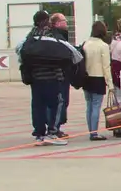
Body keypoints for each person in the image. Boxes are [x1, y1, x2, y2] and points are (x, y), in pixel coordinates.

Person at [18, 15, 82, 145]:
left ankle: (39, 134)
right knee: (56, 104)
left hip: (36, 78)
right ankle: (53, 132)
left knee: (38, 106)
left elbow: (19, 52)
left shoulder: (30, 38)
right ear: (47, 22)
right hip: (53, 77)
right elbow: (76, 55)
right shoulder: (53, 36)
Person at [82, 20, 113, 141]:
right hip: (98, 78)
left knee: (89, 105)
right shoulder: (103, 46)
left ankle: (91, 130)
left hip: (86, 78)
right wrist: (110, 84)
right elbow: (106, 66)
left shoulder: (86, 44)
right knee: (96, 106)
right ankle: (94, 133)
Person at [51, 13, 78, 138]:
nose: (66, 23)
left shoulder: (60, 36)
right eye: (64, 21)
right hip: (60, 75)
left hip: (63, 75)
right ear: (57, 23)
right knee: (60, 101)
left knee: (61, 102)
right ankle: (54, 128)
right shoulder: (57, 38)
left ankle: (56, 127)